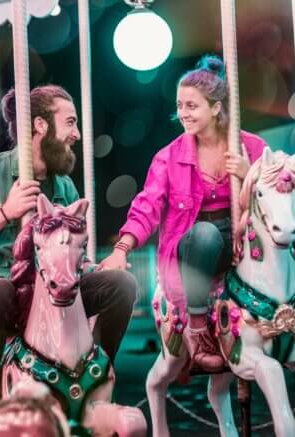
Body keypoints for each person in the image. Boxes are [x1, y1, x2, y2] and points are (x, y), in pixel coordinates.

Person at [0, 85, 138, 414]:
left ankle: (95, 374)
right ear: (41, 125)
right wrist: (5, 213)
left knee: (122, 285)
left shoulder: (64, 186)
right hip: (2, 285)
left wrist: (94, 268)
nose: (76, 134)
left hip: (53, 288)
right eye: (70, 123)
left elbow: (72, 254)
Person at [100, 55, 267, 371]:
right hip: (195, 245)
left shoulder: (252, 147)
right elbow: (147, 205)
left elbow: (277, 196)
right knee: (205, 235)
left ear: (216, 108)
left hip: (241, 235)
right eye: (179, 106)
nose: (182, 114)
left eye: (192, 106)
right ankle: (198, 325)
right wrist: (123, 248)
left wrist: (250, 174)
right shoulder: (169, 157)